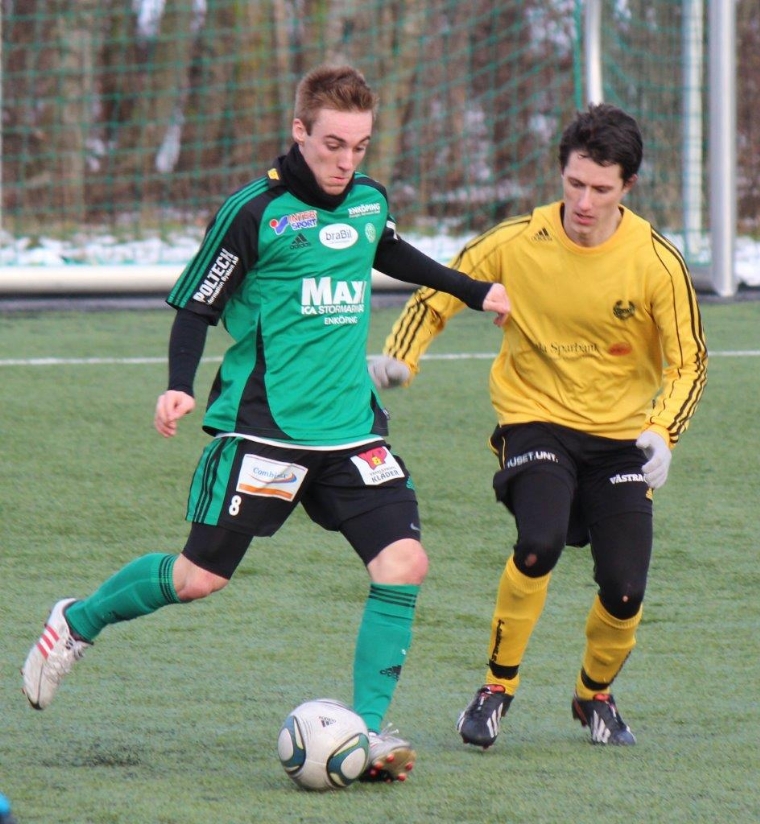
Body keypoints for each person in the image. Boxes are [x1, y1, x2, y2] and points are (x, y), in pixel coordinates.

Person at [21, 64, 510, 783]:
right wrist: (178, 387)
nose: (346, 162)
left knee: (403, 563)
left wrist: (473, 290)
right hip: (264, 432)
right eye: (333, 145)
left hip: (351, 431)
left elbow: (385, 247)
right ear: (299, 131)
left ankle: (367, 732)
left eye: (360, 147)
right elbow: (196, 304)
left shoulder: (368, 200)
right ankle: (77, 621)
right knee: (198, 578)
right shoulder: (254, 212)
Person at [369, 103, 706, 748]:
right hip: (534, 420)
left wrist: (663, 430)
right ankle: (496, 687)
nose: (584, 201)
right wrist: (401, 356)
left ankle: (594, 694)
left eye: (601, 188)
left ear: (628, 186)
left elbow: (690, 360)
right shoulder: (516, 241)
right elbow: (441, 289)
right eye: (574, 183)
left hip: (621, 440)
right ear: (561, 173)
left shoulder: (658, 263)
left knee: (625, 589)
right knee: (539, 543)